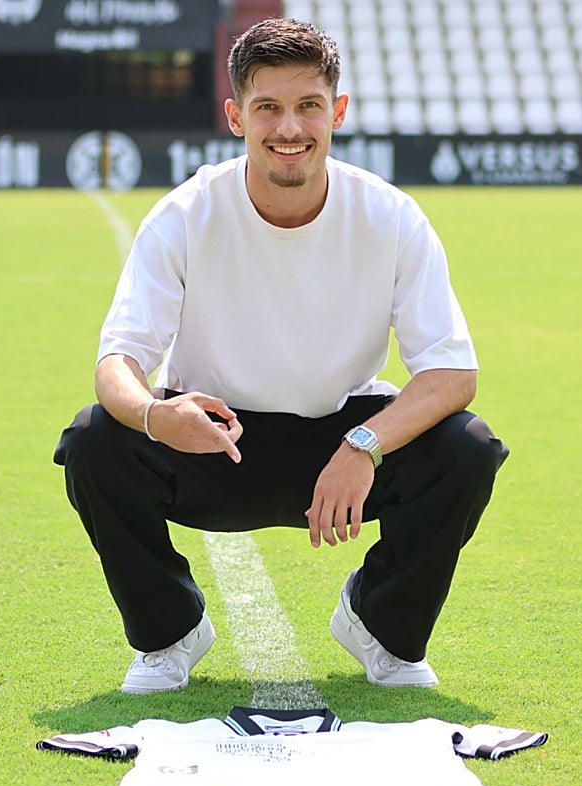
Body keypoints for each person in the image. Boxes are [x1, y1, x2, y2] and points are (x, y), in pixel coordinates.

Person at [54, 17, 508, 694]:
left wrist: (365, 445)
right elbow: (117, 361)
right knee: (94, 440)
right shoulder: (185, 215)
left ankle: (382, 626)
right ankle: (168, 632)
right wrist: (156, 416)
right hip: (214, 441)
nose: (288, 128)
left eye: (308, 107)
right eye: (267, 107)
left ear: (338, 112)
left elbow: (452, 372)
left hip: (340, 440)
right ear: (236, 116)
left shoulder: (389, 216)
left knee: (468, 449)